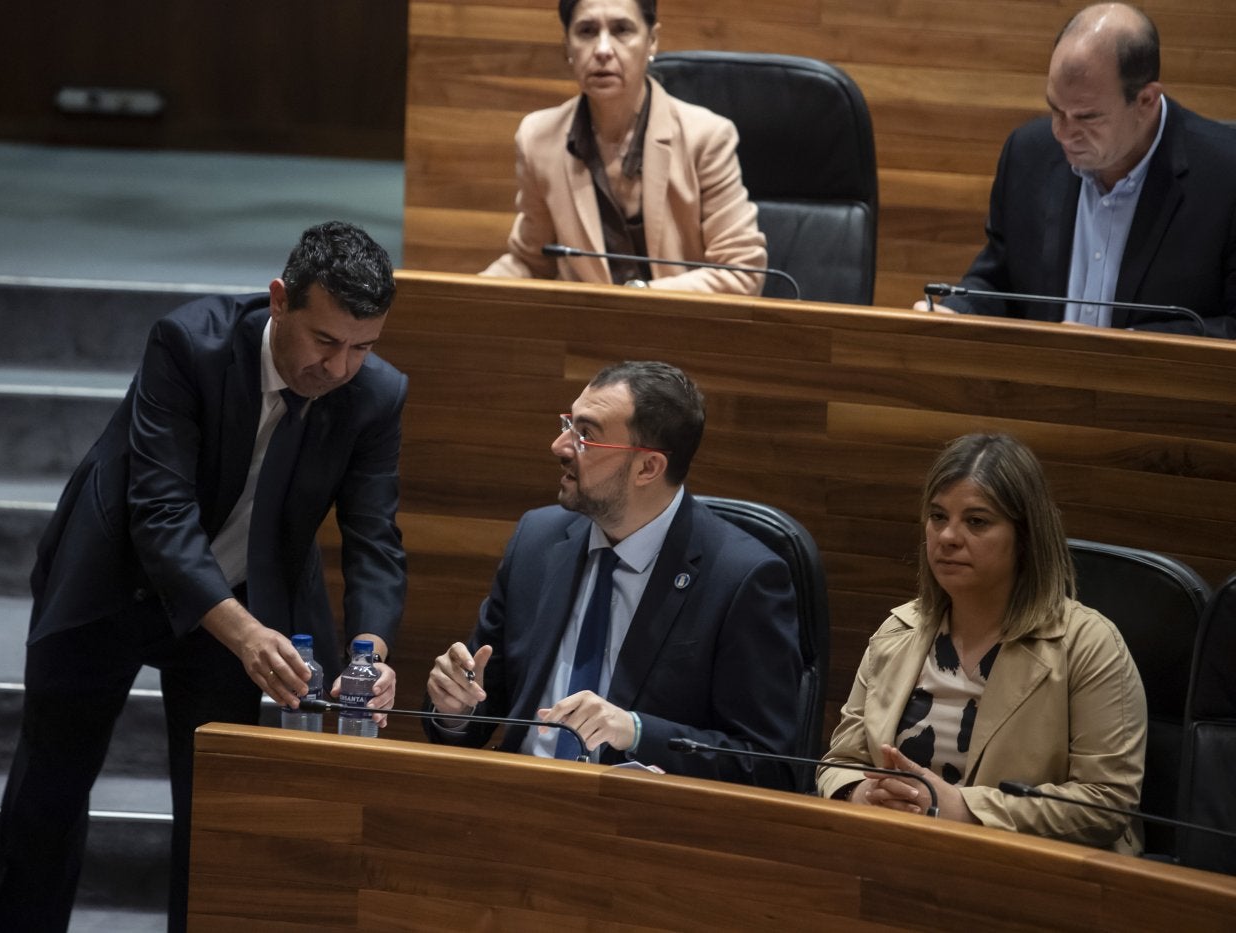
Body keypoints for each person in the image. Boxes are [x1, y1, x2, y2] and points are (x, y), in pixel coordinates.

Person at [0, 221, 408, 932]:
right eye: (325, 341)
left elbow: (375, 539)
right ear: (279, 301)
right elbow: (160, 513)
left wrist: (372, 652)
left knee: (215, 814)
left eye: (362, 347)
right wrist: (245, 635)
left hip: (246, 592)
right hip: (113, 576)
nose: (339, 367)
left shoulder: (377, 396)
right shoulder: (189, 344)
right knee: (49, 787)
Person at [423, 361, 802, 787]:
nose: (559, 446)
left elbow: (769, 765)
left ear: (648, 469)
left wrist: (637, 731)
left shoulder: (741, 578)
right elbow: (479, 708)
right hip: (517, 798)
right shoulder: (538, 541)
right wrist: (455, 710)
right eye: (569, 424)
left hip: (640, 826)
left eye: (586, 435)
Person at [817, 434, 1147, 852]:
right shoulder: (897, 632)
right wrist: (861, 795)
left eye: (976, 521)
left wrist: (965, 809)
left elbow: (1109, 804)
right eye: (938, 516)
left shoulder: (1089, 645)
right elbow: (840, 763)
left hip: (1030, 875)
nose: (948, 536)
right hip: (896, 853)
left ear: (1024, 536)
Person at [917, 3, 1236, 338]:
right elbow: (1000, 282)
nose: (1062, 133)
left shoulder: (1225, 176)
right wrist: (955, 312)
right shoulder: (1029, 154)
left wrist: (1124, 349)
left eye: (1086, 117)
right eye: (1055, 109)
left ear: (1146, 101)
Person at [480, 0, 768, 294]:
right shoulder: (538, 139)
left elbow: (742, 272)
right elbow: (530, 263)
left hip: (685, 331)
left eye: (621, 30)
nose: (603, 49)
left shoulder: (706, 137)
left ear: (651, 41)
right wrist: (461, 298)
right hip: (584, 336)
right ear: (567, 45)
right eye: (587, 31)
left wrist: (638, 296)